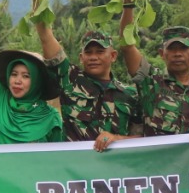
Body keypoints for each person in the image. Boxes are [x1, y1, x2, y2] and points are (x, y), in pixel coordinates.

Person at [119, 4, 189, 138]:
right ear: (162, 53)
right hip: (160, 159)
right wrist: (128, 4)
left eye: (183, 48)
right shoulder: (150, 82)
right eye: (171, 49)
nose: (177, 54)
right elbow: (127, 46)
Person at [36, 20, 142, 151]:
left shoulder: (129, 95)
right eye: (88, 52)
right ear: (81, 57)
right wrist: (38, 3)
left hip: (116, 167)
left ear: (113, 56)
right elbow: (46, 38)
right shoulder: (70, 79)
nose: (93, 57)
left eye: (99, 51)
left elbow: (143, 138)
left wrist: (117, 138)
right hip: (77, 167)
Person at [0, 25, 63, 144]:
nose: (17, 80)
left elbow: (58, 158)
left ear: (37, 82)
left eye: (26, 76)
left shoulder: (51, 118)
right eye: (14, 74)